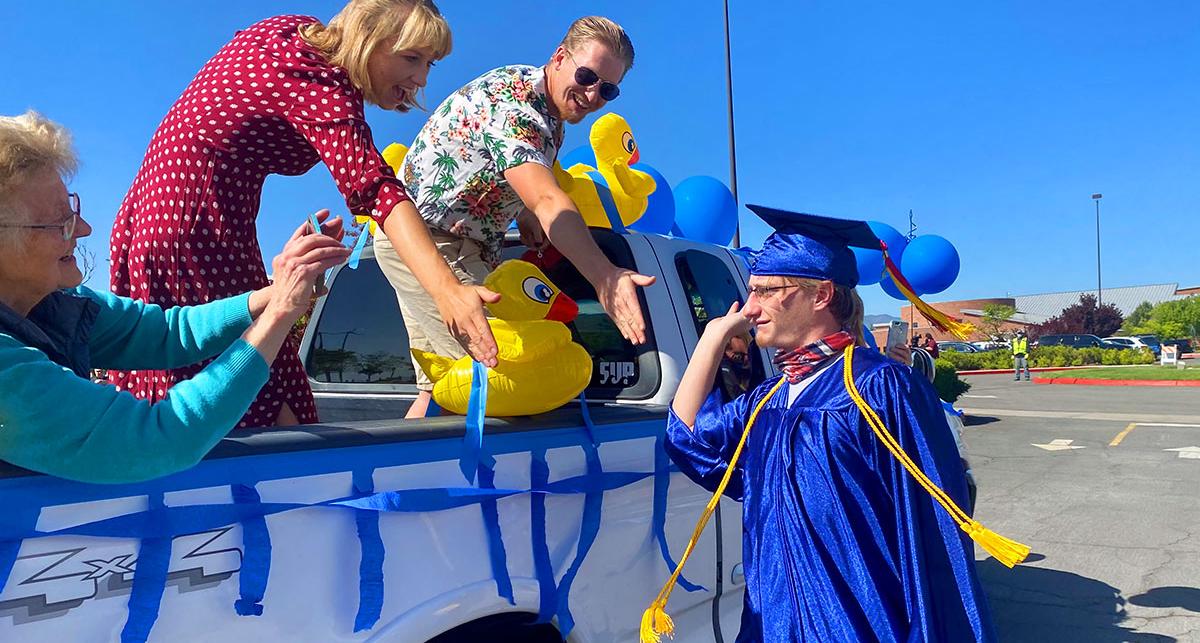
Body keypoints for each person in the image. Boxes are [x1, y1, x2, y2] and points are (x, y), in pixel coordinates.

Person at [107, 1, 490, 429]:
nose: (421, 79)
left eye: (430, 64)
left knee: (259, 377)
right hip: (195, 230)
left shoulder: (290, 34)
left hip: (158, 219)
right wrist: (448, 292)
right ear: (368, 37)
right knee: (250, 393)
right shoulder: (322, 80)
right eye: (411, 58)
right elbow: (374, 188)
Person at [656, 206, 996, 642]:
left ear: (820, 295)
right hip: (773, 624)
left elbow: (929, 531)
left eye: (766, 291)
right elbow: (685, 438)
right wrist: (712, 338)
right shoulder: (769, 398)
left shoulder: (879, 387)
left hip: (856, 626)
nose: (750, 308)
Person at [0, 112, 349, 483]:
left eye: (75, 210)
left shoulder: (59, 305)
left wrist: (274, 293)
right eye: (61, 222)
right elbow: (156, 439)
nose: (84, 230)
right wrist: (280, 314)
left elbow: (170, 332)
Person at [377, 16, 656, 417]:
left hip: (424, 237)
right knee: (495, 377)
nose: (593, 93)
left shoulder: (550, 120)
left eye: (608, 89)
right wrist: (605, 276)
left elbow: (521, 181)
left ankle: (397, 477)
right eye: (587, 75)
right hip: (433, 241)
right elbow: (546, 196)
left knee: (440, 388)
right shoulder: (517, 106)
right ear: (559, 57)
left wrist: (522, 211)